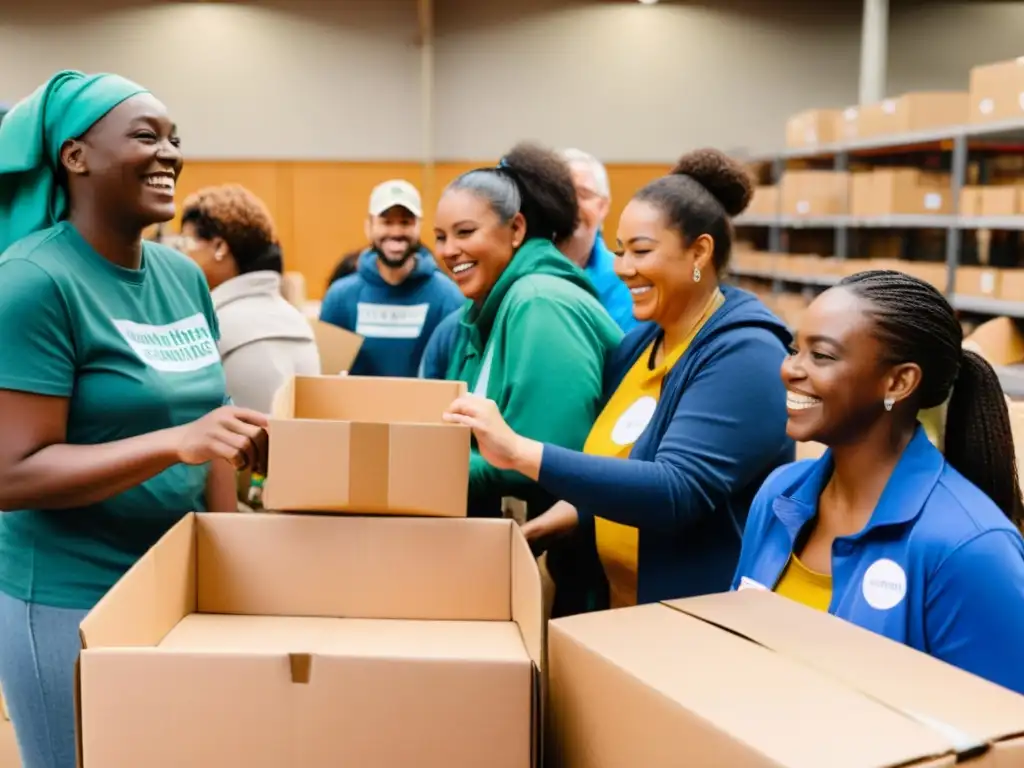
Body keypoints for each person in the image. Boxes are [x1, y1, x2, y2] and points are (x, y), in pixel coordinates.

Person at [0, 70, 268, 768]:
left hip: (174, 584)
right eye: (145, 136)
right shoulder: (32, 281)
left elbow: (208, 423)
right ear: (75, 156)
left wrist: (228, 548)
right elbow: (10, 473)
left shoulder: (181, 277)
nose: (170, 153)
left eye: (175, 138)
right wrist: (175, 443)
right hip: (69, 598)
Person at [444, 148, 794, 613]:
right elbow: (620, 467)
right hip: (618, 610)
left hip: (703, 623)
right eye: (619, 251)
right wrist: (564, 518)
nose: (623, 268)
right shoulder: (639, 347)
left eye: (641, 251)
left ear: (699, 251)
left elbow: (676, 489)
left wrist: (518, 451)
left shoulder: (746, 356)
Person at [731, 270, 1024, 695]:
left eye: (822, 356)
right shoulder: (780, 493)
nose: (790, 369)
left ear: (898, 382)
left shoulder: (968, 547)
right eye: (795, 349)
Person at [433, 142, 623, 521]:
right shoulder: (485, 308)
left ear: (516, 228)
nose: (450, 250)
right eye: (440, 237)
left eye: (465, 232)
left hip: (566, 556)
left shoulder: (540, 302)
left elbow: (549, 458)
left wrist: (419, 470)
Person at [179, 183, 320, 413]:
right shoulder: (296, 319)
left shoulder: (211, 326)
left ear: (219, 247)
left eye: (186, 243)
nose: (181, 254)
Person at [319, 179, 463, 377]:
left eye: (405, 222)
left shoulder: (448, 298)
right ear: (368, 226)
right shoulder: (340, 298)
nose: (396, 232)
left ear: (419, 227)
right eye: (386, 222)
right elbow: (326, 376)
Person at [559, 148, 637, 332]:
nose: (573, 204)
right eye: (562, 194)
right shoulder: (522, 271)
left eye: (583, 194)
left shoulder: (626, 279)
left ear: (603, 206)